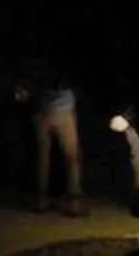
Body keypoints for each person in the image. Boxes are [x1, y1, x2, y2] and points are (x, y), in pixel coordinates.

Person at [19, 76, 87, 216]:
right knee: (71, 157)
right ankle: (73, 203)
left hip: (41, 110)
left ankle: (41, 200)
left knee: (42, 157)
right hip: (63, 109)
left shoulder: (37, 64)